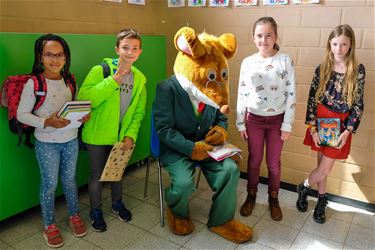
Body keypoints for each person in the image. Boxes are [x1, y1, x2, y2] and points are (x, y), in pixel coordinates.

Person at [17, 34, 88, 248]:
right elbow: (22, 114)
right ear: (40, 57)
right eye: (49, 54)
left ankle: (74, 215)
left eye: (59, 55)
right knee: (49, 185)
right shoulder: (34, 82)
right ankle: (49, 225)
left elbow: (72, 107)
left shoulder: (69, 80)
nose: (54, 59)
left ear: (66, 58)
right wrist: (47, 122)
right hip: (46, 142)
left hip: (71, 140)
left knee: (69, 180)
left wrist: (82, 115)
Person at [77, 28, 146, 232]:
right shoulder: (101, 70)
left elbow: (138, 113)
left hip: (120, 138)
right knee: (97, 174)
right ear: (117, 49)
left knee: (117, 173)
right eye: (125, 47)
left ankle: (117, 204)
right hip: (97, 135)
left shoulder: (140, 79)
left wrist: (130, 135)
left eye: (135, 48)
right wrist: (113, 81)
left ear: (140, 52)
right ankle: (95, 211)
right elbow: (84, 99)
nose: (130, 52)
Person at [296, 24, 365, 224]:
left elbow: (359, 103)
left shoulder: (357, 70)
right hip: (322, 119)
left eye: (344, 44)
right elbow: (311, 99)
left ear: (351, 45)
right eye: (335, 44)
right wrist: (313, 128)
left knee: (325, 169)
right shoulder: (322, 68)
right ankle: (321, 200)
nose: (339, 48)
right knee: (321, 167)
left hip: (341, 124)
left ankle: (304, 186)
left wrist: (348, 130)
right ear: (329, 44)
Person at [236, 17, 296, 221]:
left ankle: (273, 198)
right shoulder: (248, 62)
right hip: (253, 119)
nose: (264, 39)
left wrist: (287, 124)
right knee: (253, 160)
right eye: (260, 35)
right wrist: (240, 122)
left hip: (277, 121)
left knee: (273, 163)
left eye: (268, 35)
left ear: (276, 36)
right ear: (253, 38)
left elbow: (291, 93)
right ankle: (251, 195)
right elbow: (242, 93)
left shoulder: (285, 60)